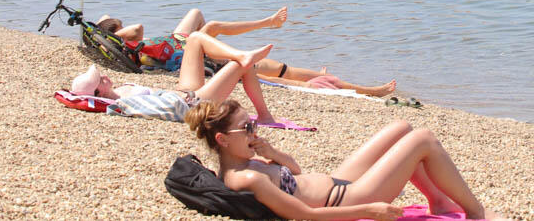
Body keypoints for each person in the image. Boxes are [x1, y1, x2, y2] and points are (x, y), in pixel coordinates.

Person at [186, 101, 506, 220]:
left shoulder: (244, 163)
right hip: (348, 199)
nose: (254, 131)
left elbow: (294, 174)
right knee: (423, 139)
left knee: (402, 128)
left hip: (337, 180)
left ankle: (437, 201)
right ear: (223, 140)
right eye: (248, 127)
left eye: (253, 123)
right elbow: (305, 215)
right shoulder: (247, 179)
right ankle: (475, 213)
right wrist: (370, 210)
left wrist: (272, 153)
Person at [98, 7, 396, 97]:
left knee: (202, 16)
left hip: (182, 43)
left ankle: (268, 25)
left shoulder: (142, 45)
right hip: (192, 54)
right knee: (282, 73)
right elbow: (135, 29)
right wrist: (107, 27)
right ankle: (368, 90)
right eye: (115, 25)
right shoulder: (130, 42)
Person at [73, 32, 278, 123]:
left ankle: (239, 53)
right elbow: (168, 110)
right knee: (242, 66)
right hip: (193, 103)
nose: (105, 76)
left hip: (185, 92)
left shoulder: (120, 91)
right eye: (101, 79)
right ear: (99, 92)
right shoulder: (124, 104)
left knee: (195, 39)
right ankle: (264, 116)